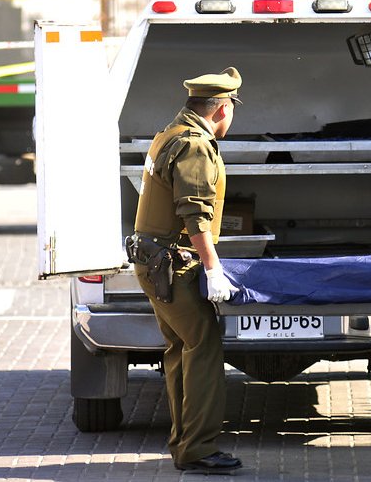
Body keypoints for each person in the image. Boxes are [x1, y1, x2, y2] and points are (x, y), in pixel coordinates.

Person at [130, 67, 243, 473]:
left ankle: (184, 442)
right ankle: (196, 447)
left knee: (181, 349)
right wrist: (213, 269)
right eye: (231, 109)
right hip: (173, 266)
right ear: (222, 108)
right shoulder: (195, 145)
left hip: (155, 262)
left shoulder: (169, 132)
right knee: (203, 347)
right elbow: (194, 213)